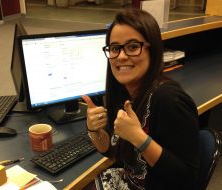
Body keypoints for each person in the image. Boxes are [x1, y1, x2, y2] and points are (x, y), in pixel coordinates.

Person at [82, 8, 199, 190]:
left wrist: (139, 138)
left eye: (133, 47)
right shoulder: (126, 95)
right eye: (114, 48)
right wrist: (93, 130)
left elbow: (188, 181)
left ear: (152, 50)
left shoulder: (169, 100)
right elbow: (112, 152)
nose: (121, 56)